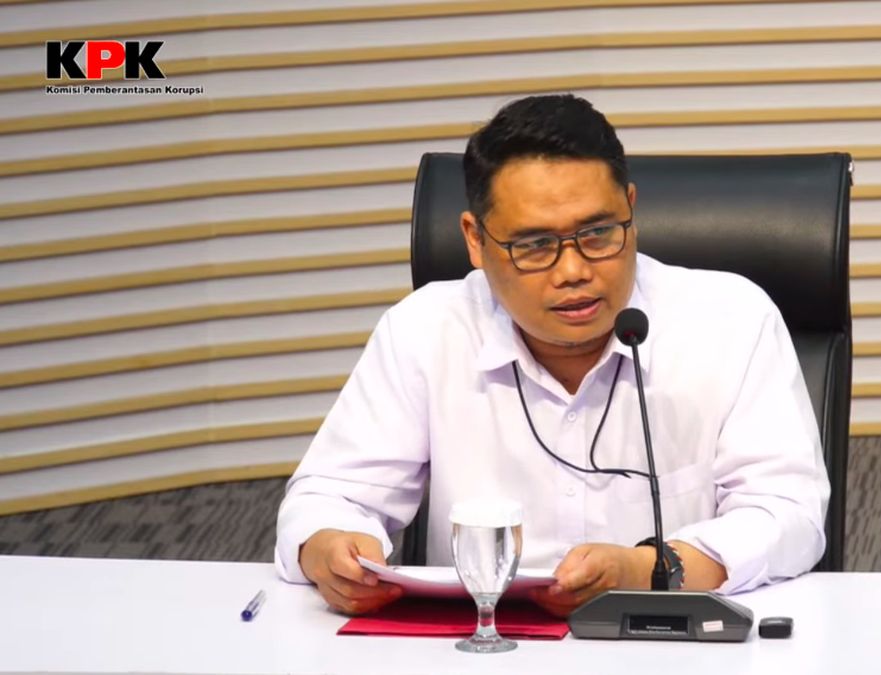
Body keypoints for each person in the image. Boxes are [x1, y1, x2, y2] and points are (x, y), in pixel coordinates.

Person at [275, 94, 830, 617]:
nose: (573, 271)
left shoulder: (729, 319)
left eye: (598, 233)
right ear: (475, 239)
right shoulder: (425, 330)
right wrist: (329, 547)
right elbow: (328, 497)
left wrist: (646, 569)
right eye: (535, 245)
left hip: (665, 644)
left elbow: (788, 513)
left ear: (631, 209)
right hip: (477, 647)